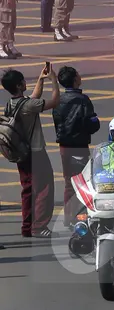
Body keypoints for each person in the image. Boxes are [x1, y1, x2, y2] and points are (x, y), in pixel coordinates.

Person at [2, 63, 59, 238]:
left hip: (20, 153)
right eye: (23, 81)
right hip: (35, 152)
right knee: (44, 188)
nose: (25, 83)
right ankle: (39, 226)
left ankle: (27, 227)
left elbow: (34, 98)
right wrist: (53, 80)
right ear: (19, 85)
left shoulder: (11, 104)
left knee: (27, 189)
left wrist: (41, 80)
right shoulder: (28, 105)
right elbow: (55, 101)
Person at [51, 65, 100, 223]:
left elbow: (57, 121)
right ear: (75, 80)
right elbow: (92, 124)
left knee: (68, 183)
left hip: (64, 146)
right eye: (78, 75)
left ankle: (68, 217)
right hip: (79, 146)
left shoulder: (58, 100)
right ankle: (80, 217)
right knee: (82, 182)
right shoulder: (83, 100)